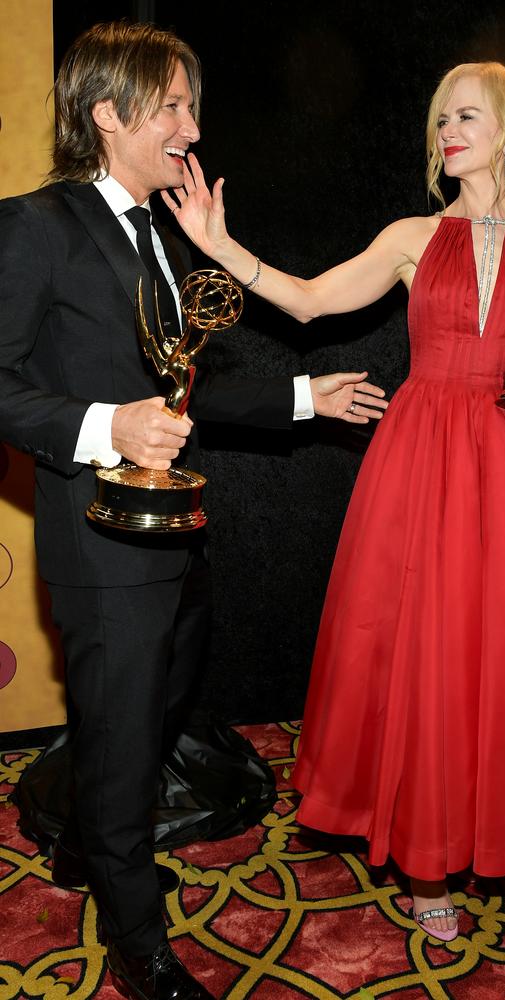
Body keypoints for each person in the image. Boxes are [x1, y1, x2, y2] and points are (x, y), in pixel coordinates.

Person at [163, 61, 505, 944]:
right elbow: (306, 303)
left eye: (466, 115)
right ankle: (425, 861)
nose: (448, 130)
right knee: (423, 647)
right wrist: (220, 246)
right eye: (439, 118)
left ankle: (499, 818)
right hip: (421, 453)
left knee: (500, 650)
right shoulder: (412, 235)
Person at [0, 20, 388, 1000]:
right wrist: (104, 425)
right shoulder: (36, 226)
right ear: (108, 114)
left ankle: (94, 842)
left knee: (152, 709)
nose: (191, 123)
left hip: (173, 534)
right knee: (126, 734)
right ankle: (139, 945)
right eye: (171, 104)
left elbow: (182, 387)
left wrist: (306, 397)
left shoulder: (159, 234)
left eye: (191, 103)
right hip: (99, 543)